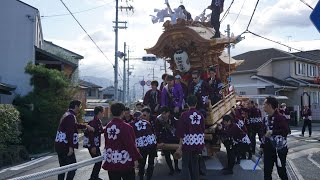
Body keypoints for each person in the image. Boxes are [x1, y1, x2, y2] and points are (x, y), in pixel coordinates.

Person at [55, 100, 94, 180]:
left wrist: (86, 126)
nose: (80, 108)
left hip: (59, 144)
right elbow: (70, 132)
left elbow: (74, 125)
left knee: (63, 168)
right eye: (79, 106)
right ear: (76, 106)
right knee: (73, 167)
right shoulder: (70, 116)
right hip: (65, 145)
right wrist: (70, 147)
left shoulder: (67, 114)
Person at [102, 103, 142, 180]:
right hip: (124, 160)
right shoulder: (126, 127)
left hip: (112, 160)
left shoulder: (108, 126)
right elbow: (130, 145)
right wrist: (135, 158)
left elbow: (107, 143)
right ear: (122, 112)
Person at [176, 95, 205, 180]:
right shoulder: (200, 115)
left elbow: (181, 131)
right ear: (196, 103)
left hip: (187, 142)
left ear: (187, 104)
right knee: (195, 163)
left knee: (185, 164)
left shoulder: (184, 115)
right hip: (198, 142)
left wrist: (180, 145)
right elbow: (203, 129)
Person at [260, 97, 290, 180]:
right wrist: (262, 146)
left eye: (264, 104)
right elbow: (264, 134)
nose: (263, 106)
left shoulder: (280, 117)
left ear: (269, 105)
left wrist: (273, 132)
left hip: (279, 149)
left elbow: (286, 131)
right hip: (268, 149)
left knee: (281, 172)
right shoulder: (265, 118)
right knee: (267, 172)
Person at [131, 107, 157, 180]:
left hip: (141, 145)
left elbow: (133, 136)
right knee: (151, 163)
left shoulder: (132, 124)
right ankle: (149, 178)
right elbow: (152, 132)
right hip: (151, 143)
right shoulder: (147, 122)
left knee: (142, 163)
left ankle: (141, 178)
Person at [156, 106, 181, 175]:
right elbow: (157, 131)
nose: (163, 115)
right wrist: (160, 141)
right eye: (162, 114)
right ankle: (171, 169)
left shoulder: (173, 119)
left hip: (173, 139)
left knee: (175, 154)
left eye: (164, 113)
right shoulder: (158, 120)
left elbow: (177, 128)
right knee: (167, 156)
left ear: (168, 113)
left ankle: (176, 167)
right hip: (164, 140)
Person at [83, 106, 104, 180]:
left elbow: (101, 131)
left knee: (98, 161)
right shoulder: (93, 122)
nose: (103, 113)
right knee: (98, 161)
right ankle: (93, 177)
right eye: (102, 112)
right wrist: (93, 146)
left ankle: (95, 176)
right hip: (92, 144)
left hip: (96, 144)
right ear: (99, 112)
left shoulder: (98, 121)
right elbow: (90, 135)